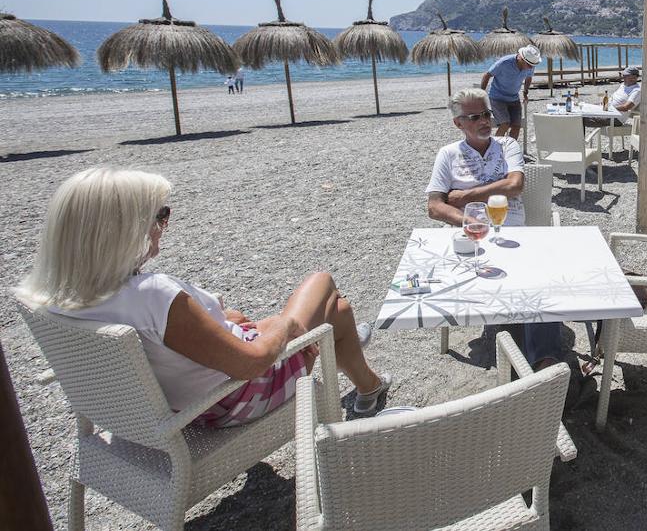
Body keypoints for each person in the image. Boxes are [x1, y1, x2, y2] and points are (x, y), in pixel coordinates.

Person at [16, 167, 391, 424]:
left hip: (174, 402)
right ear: (122, 230)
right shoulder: (153, 296)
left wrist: (224, 324)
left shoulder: (57, 299)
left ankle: (368, 383)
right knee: (323, 284)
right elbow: (251, 364)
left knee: (338, 311)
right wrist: (284, 325)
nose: (163, 224)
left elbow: (182, 341)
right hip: (238, 397)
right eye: (160, 215)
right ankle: (365, 379)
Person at [426, 88, 562, 367]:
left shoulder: (507, 145)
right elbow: (435, 206)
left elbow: (515, 185)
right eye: (474, 116)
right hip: (471, 239)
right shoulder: (448, 154)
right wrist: (468, 220)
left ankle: (545, 364)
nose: (484, 121)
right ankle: (525, 359)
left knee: (541, 283)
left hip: (513, 235)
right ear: (458, 123)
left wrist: (465, 196)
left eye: (487, 114)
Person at [480, 45, 540, 139]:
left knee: (516, 126)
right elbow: (487, 75)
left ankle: (510, 150)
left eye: (532, 65)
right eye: (528, 65)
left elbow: (529, 78)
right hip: (497, 98)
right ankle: (496, 149)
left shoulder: (530, 65)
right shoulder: (504, 62)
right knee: (505, 124)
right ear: (521, 58)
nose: (530, 67)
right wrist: (481, 95)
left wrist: (525, 93)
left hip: (514, 98)